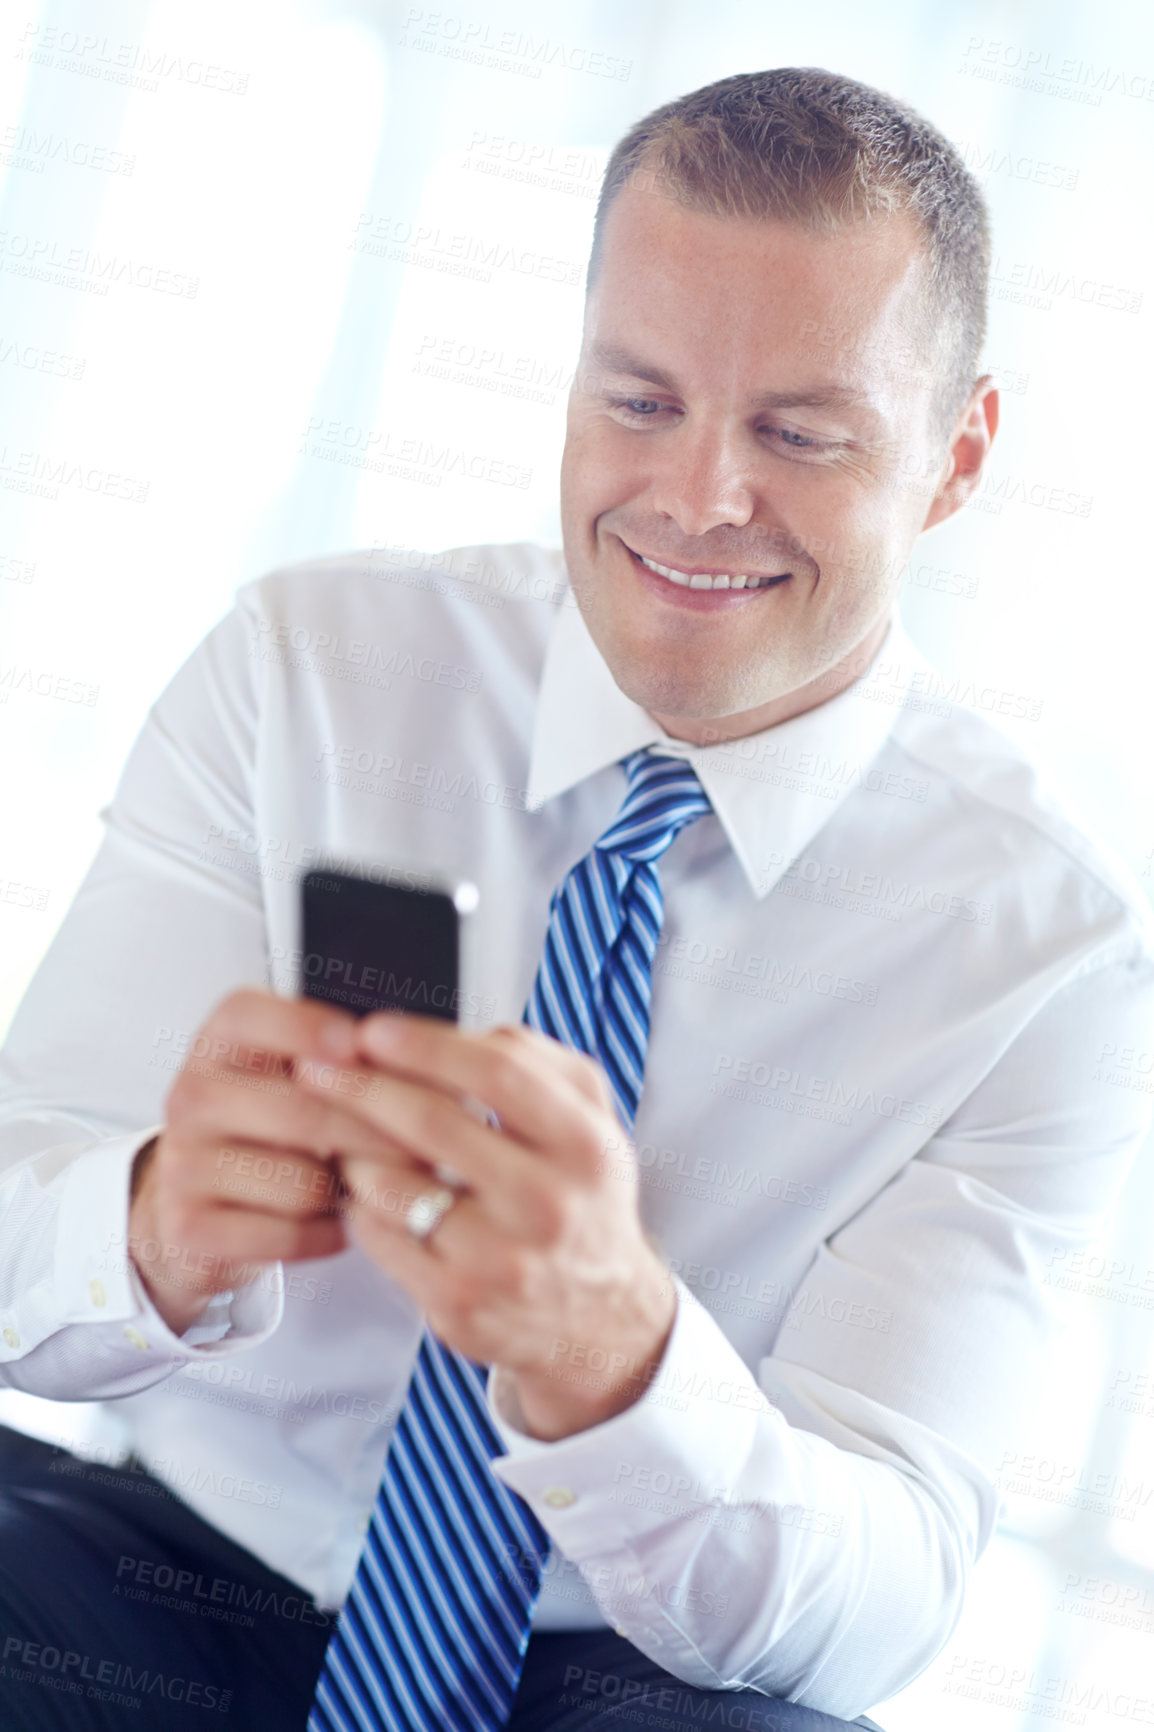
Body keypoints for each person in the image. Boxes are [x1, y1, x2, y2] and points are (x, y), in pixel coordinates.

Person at [1, 65, 1151, 1732]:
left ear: (957, 456)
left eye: (798, 434)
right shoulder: (303, 671)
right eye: (637, 402)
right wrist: (154, 1220)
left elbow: (883, 1602)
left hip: (625, 1659)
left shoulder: (1044, 948)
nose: (696, 499)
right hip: (165, 1559)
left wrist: (622, 1362)